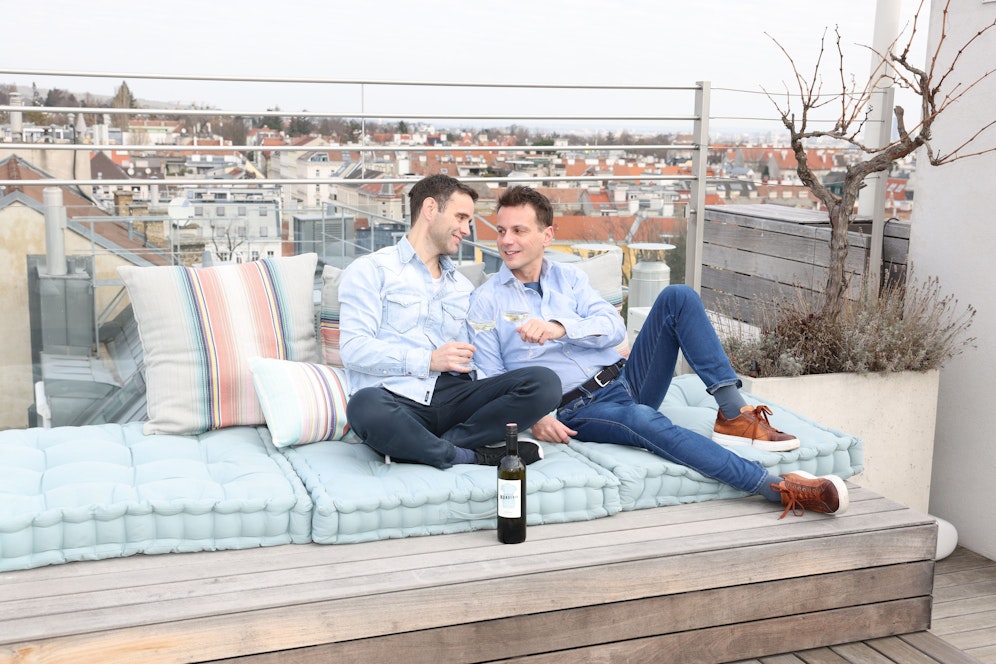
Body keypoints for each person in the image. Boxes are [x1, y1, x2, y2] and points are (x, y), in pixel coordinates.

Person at [467, 186, 848, 518]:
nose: (506, 241)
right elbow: (489, 377)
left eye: (519, 230)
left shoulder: (570, 278)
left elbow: (613, 328)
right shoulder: (486, 301)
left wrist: (559, 328)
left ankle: (733, 413)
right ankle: (776, 487)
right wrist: (537, 416)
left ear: (547, 235)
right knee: (646, 421)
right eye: (501, 231)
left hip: (626, 376)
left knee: (677, 297)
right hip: (579, 408)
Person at [339, 175, 561, 469]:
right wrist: (428, 360)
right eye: (461, 217)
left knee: (544, 383)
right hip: (399, 399)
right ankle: (472, 455)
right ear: (430, 209)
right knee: (364, 406)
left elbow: (480, 356)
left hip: (458, 398)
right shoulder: (371, 270)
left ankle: (426, 446)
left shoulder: (463, 288)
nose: (466, 230)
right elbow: (354, 350)